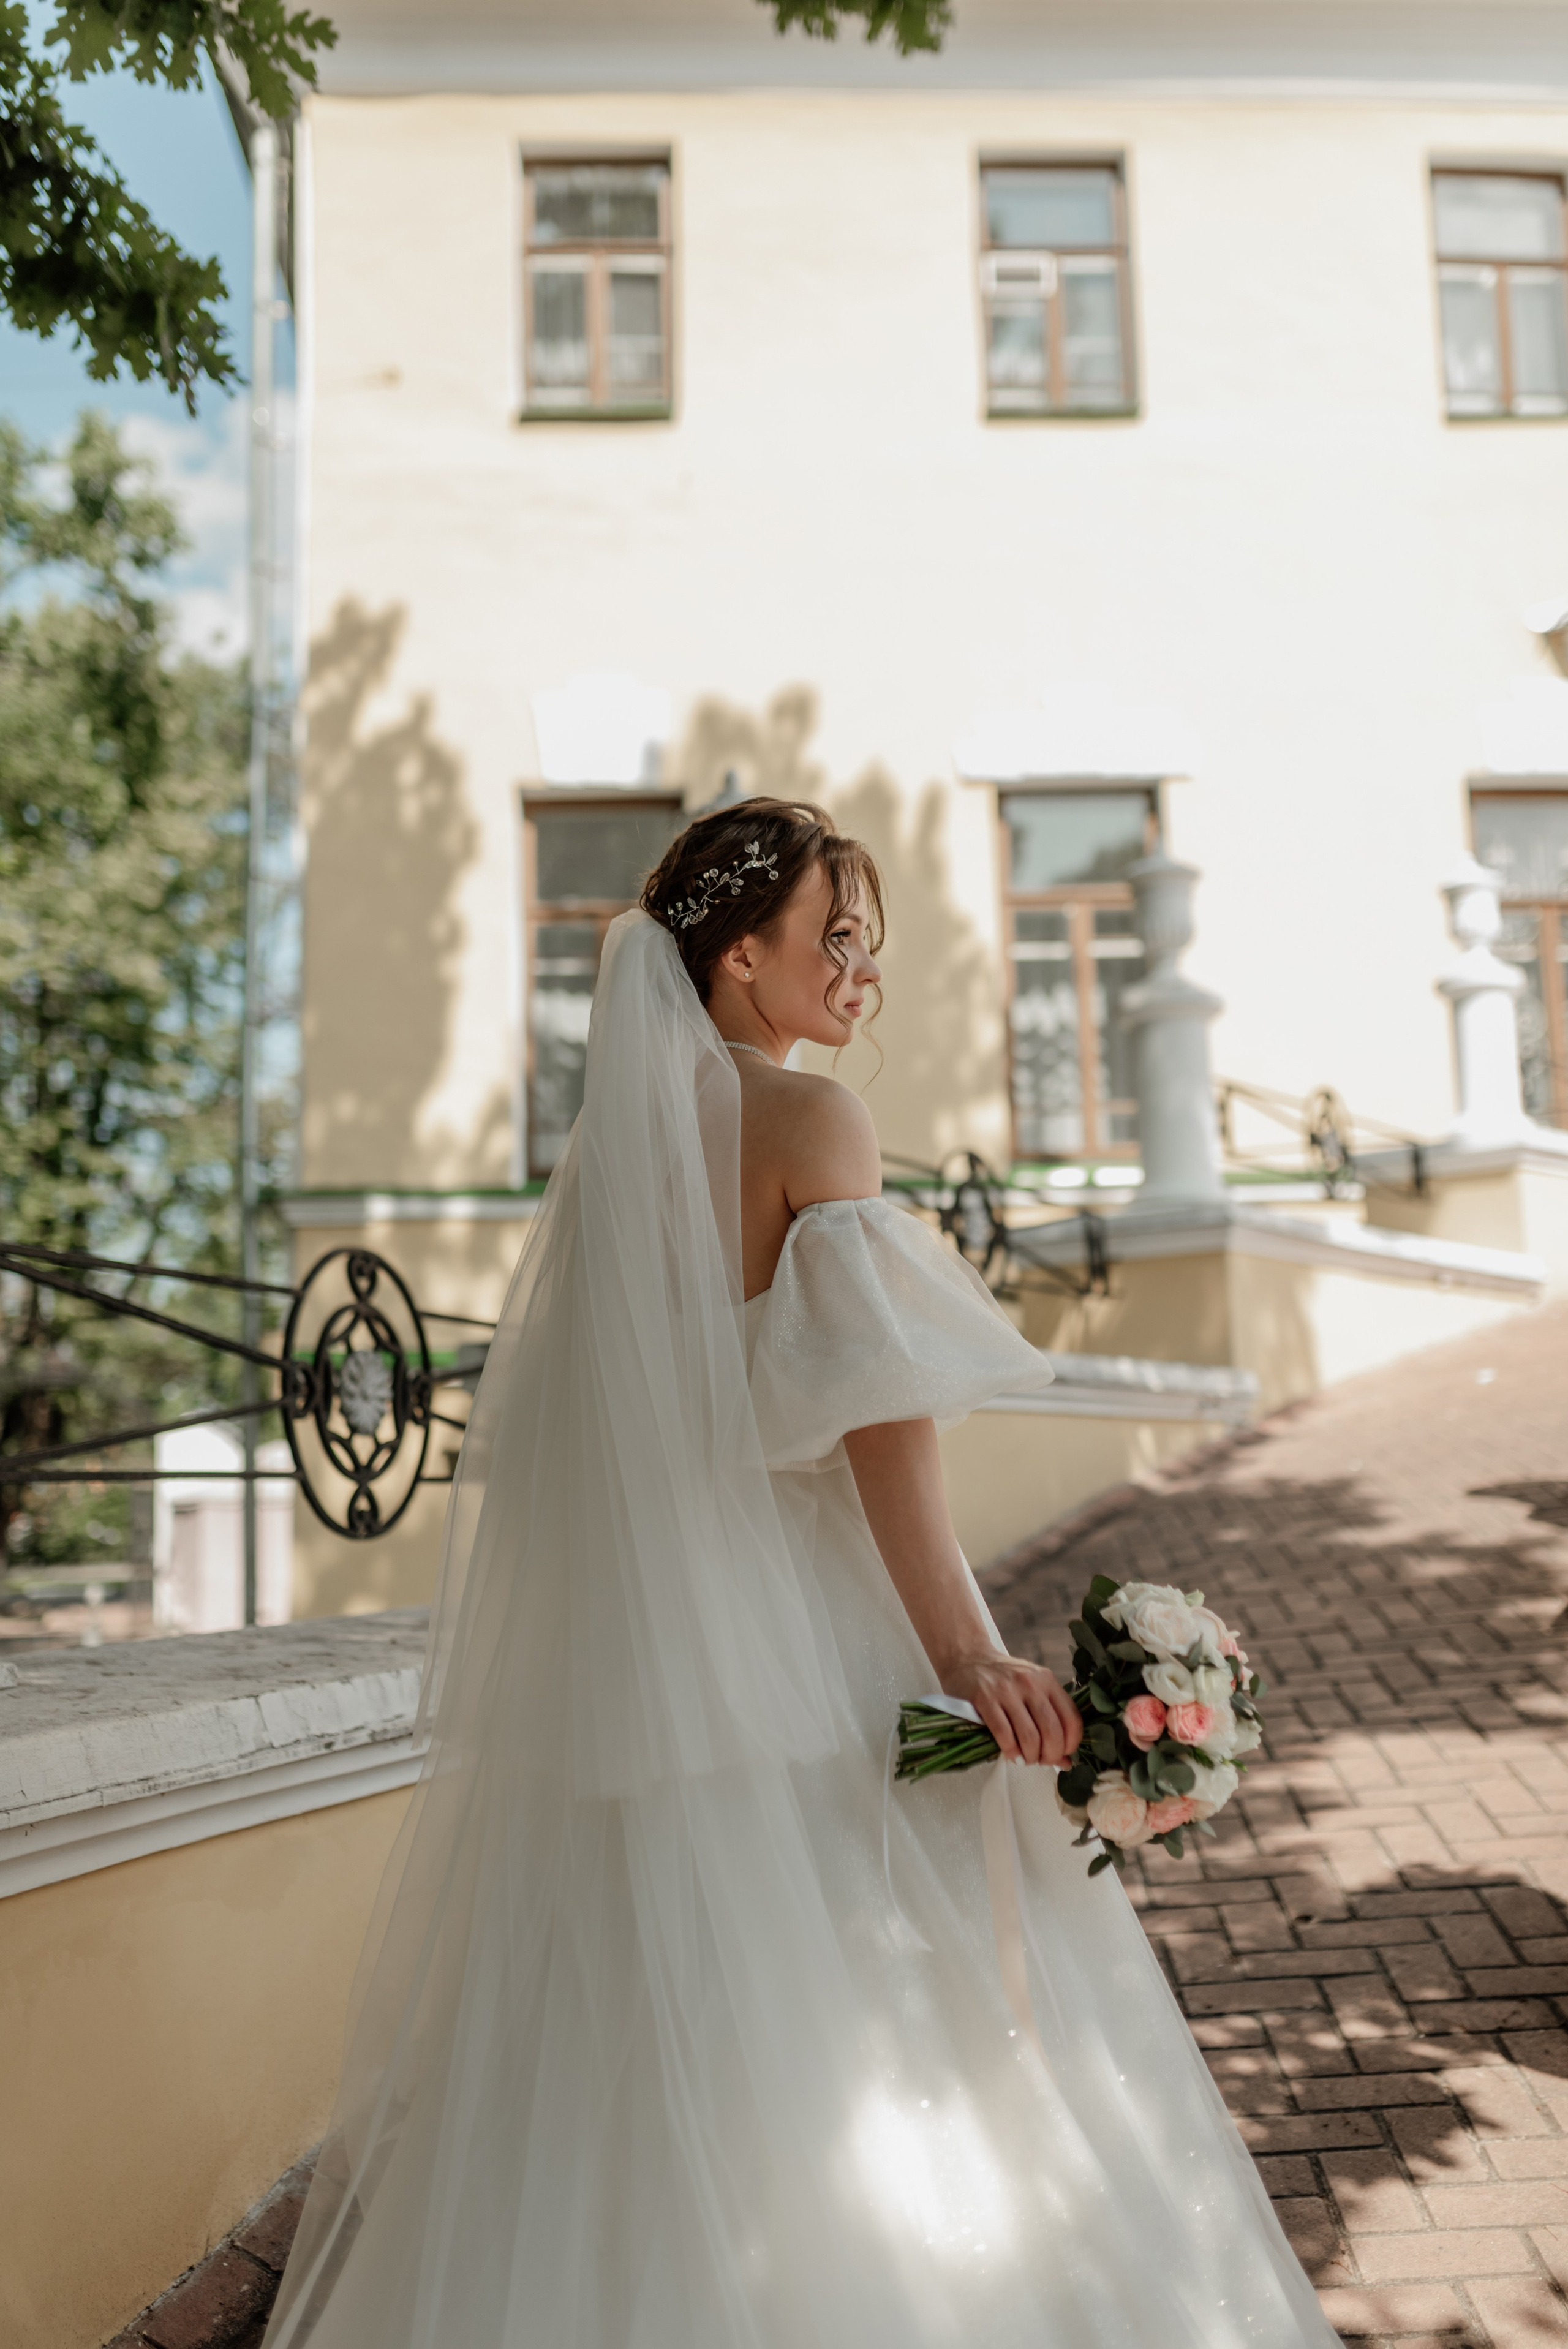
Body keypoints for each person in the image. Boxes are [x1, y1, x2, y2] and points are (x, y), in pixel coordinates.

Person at [265, 798, 1339, 2348]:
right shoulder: (806, 1122)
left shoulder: (609, 1165)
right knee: (900, 2015)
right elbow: (881, 1424)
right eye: (830, 937)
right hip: (812, 1630)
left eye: (865, 942)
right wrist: (967, 1650)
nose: (858, 971)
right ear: (736, 956)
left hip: (648, 1667)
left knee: (638, 2048)